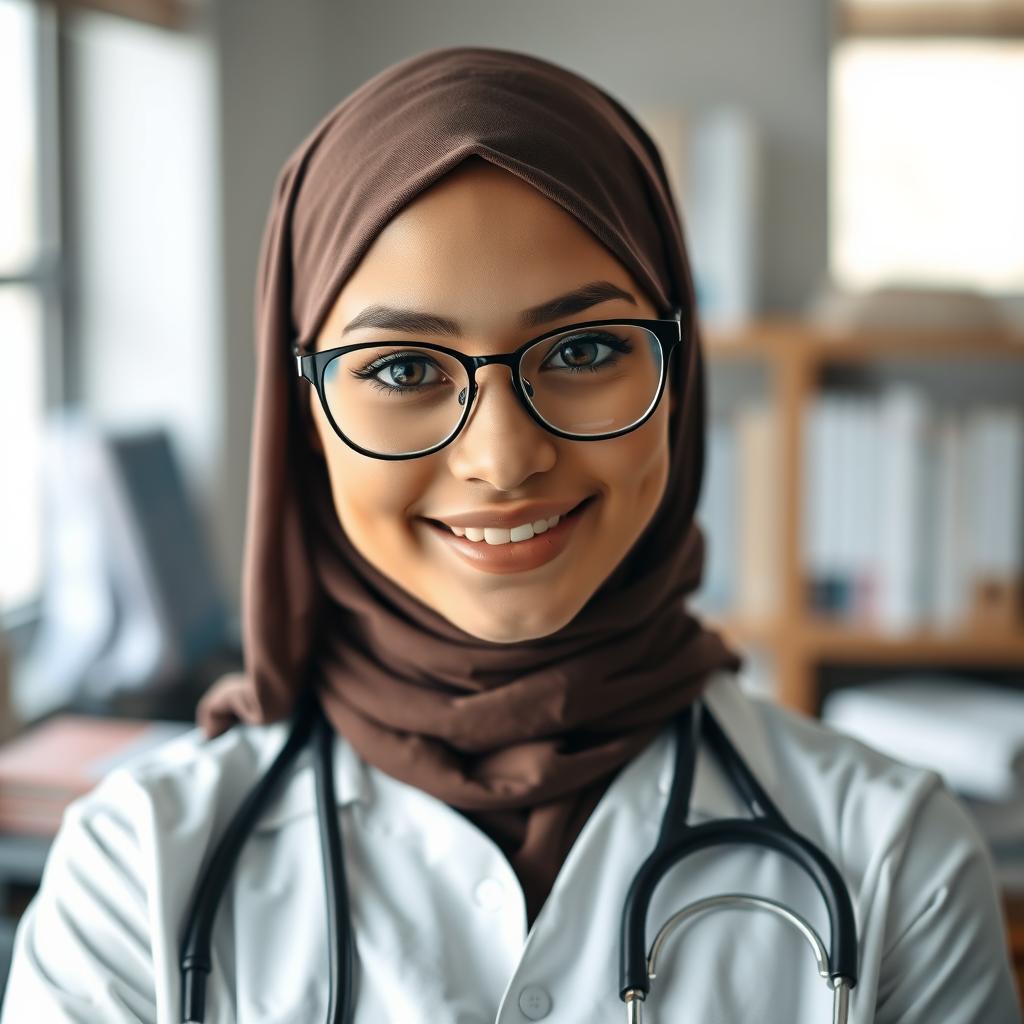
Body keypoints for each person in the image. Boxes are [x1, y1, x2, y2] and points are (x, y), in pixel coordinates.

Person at [1, 46, 1018, 1024]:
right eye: (403, 369)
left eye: (583, 348)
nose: (502, 456)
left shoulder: (895, 861)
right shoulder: (135, 874)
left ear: (681, 374)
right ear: (303, 407)